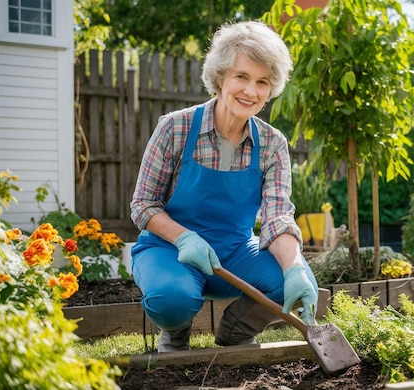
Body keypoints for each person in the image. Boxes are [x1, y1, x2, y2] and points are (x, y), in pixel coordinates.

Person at [129, 20, 319, 352]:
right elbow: (143, 205)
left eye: (262, 82)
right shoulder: (176, 128)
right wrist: (184, 237)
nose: (251, 91)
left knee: (291, 280)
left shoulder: (272, 144)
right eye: (241, 77)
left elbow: (277, 218)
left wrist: (294, 269)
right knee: (170, 299)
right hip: (170, 250)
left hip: (232, 252)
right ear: (220, 79)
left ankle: (235, 331)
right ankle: (175, 330)